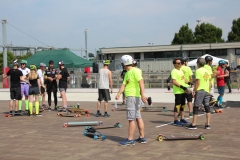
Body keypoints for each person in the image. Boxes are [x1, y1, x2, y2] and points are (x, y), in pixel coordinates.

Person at [115, 55, 147, 146]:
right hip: (133, 97)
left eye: (122, 63)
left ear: (124, 63)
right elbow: (124, 85)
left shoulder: (134, 71)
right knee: (137, 117)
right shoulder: (127, 73)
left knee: (131, 119)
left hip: (133, 97)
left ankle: (130, 139)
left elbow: (141, 82)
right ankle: (142, 137)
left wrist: (142, 94)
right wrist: (118, 94)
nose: (121, 64)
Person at [186, 58, 211, 129]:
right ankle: (207, 124)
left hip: (200, 90)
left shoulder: (198, 71)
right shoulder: (207, 71)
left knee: (196, 107)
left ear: (198, 64)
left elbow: (197, 82)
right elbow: (210, 82)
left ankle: (193, 124)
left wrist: (194, 90)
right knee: (207, 107)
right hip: (207, 90)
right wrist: (208, 91)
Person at [171, 58, 190, 126]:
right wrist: (182, 87)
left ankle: (182, 118)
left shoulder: (181, 70)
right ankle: (175, 120)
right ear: (175, 64)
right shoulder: (174, 71)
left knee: (183, 105)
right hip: (178, 91)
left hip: (183, 90)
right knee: (177, 105)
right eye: (178, 63)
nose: (180, 64)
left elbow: (184, 78)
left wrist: (189, 83)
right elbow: (174, 81)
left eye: (181, 63)